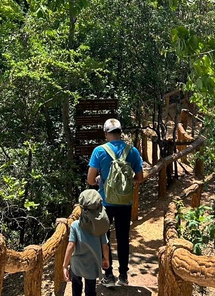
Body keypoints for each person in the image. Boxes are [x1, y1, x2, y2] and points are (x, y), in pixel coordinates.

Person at [87, 118, 144, 287]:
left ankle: (109, 275)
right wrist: (125, 183)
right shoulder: (132, 151)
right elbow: (140, 178)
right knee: (123, 238)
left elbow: (91, 180)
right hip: (125, 204)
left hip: (105, 203)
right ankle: (124, 276)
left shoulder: (99, 151)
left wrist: (101, 180)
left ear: (106, 133)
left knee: (104, 239)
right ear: (120, 132)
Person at [63, 189, 110, 296]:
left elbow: (71, 245)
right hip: (92, 265)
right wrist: (106, 259)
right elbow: (105, 246)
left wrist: (65, 265)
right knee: (90, 290)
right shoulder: (100, 227)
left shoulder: (75, 225)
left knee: (76, 288)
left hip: (76, 264)